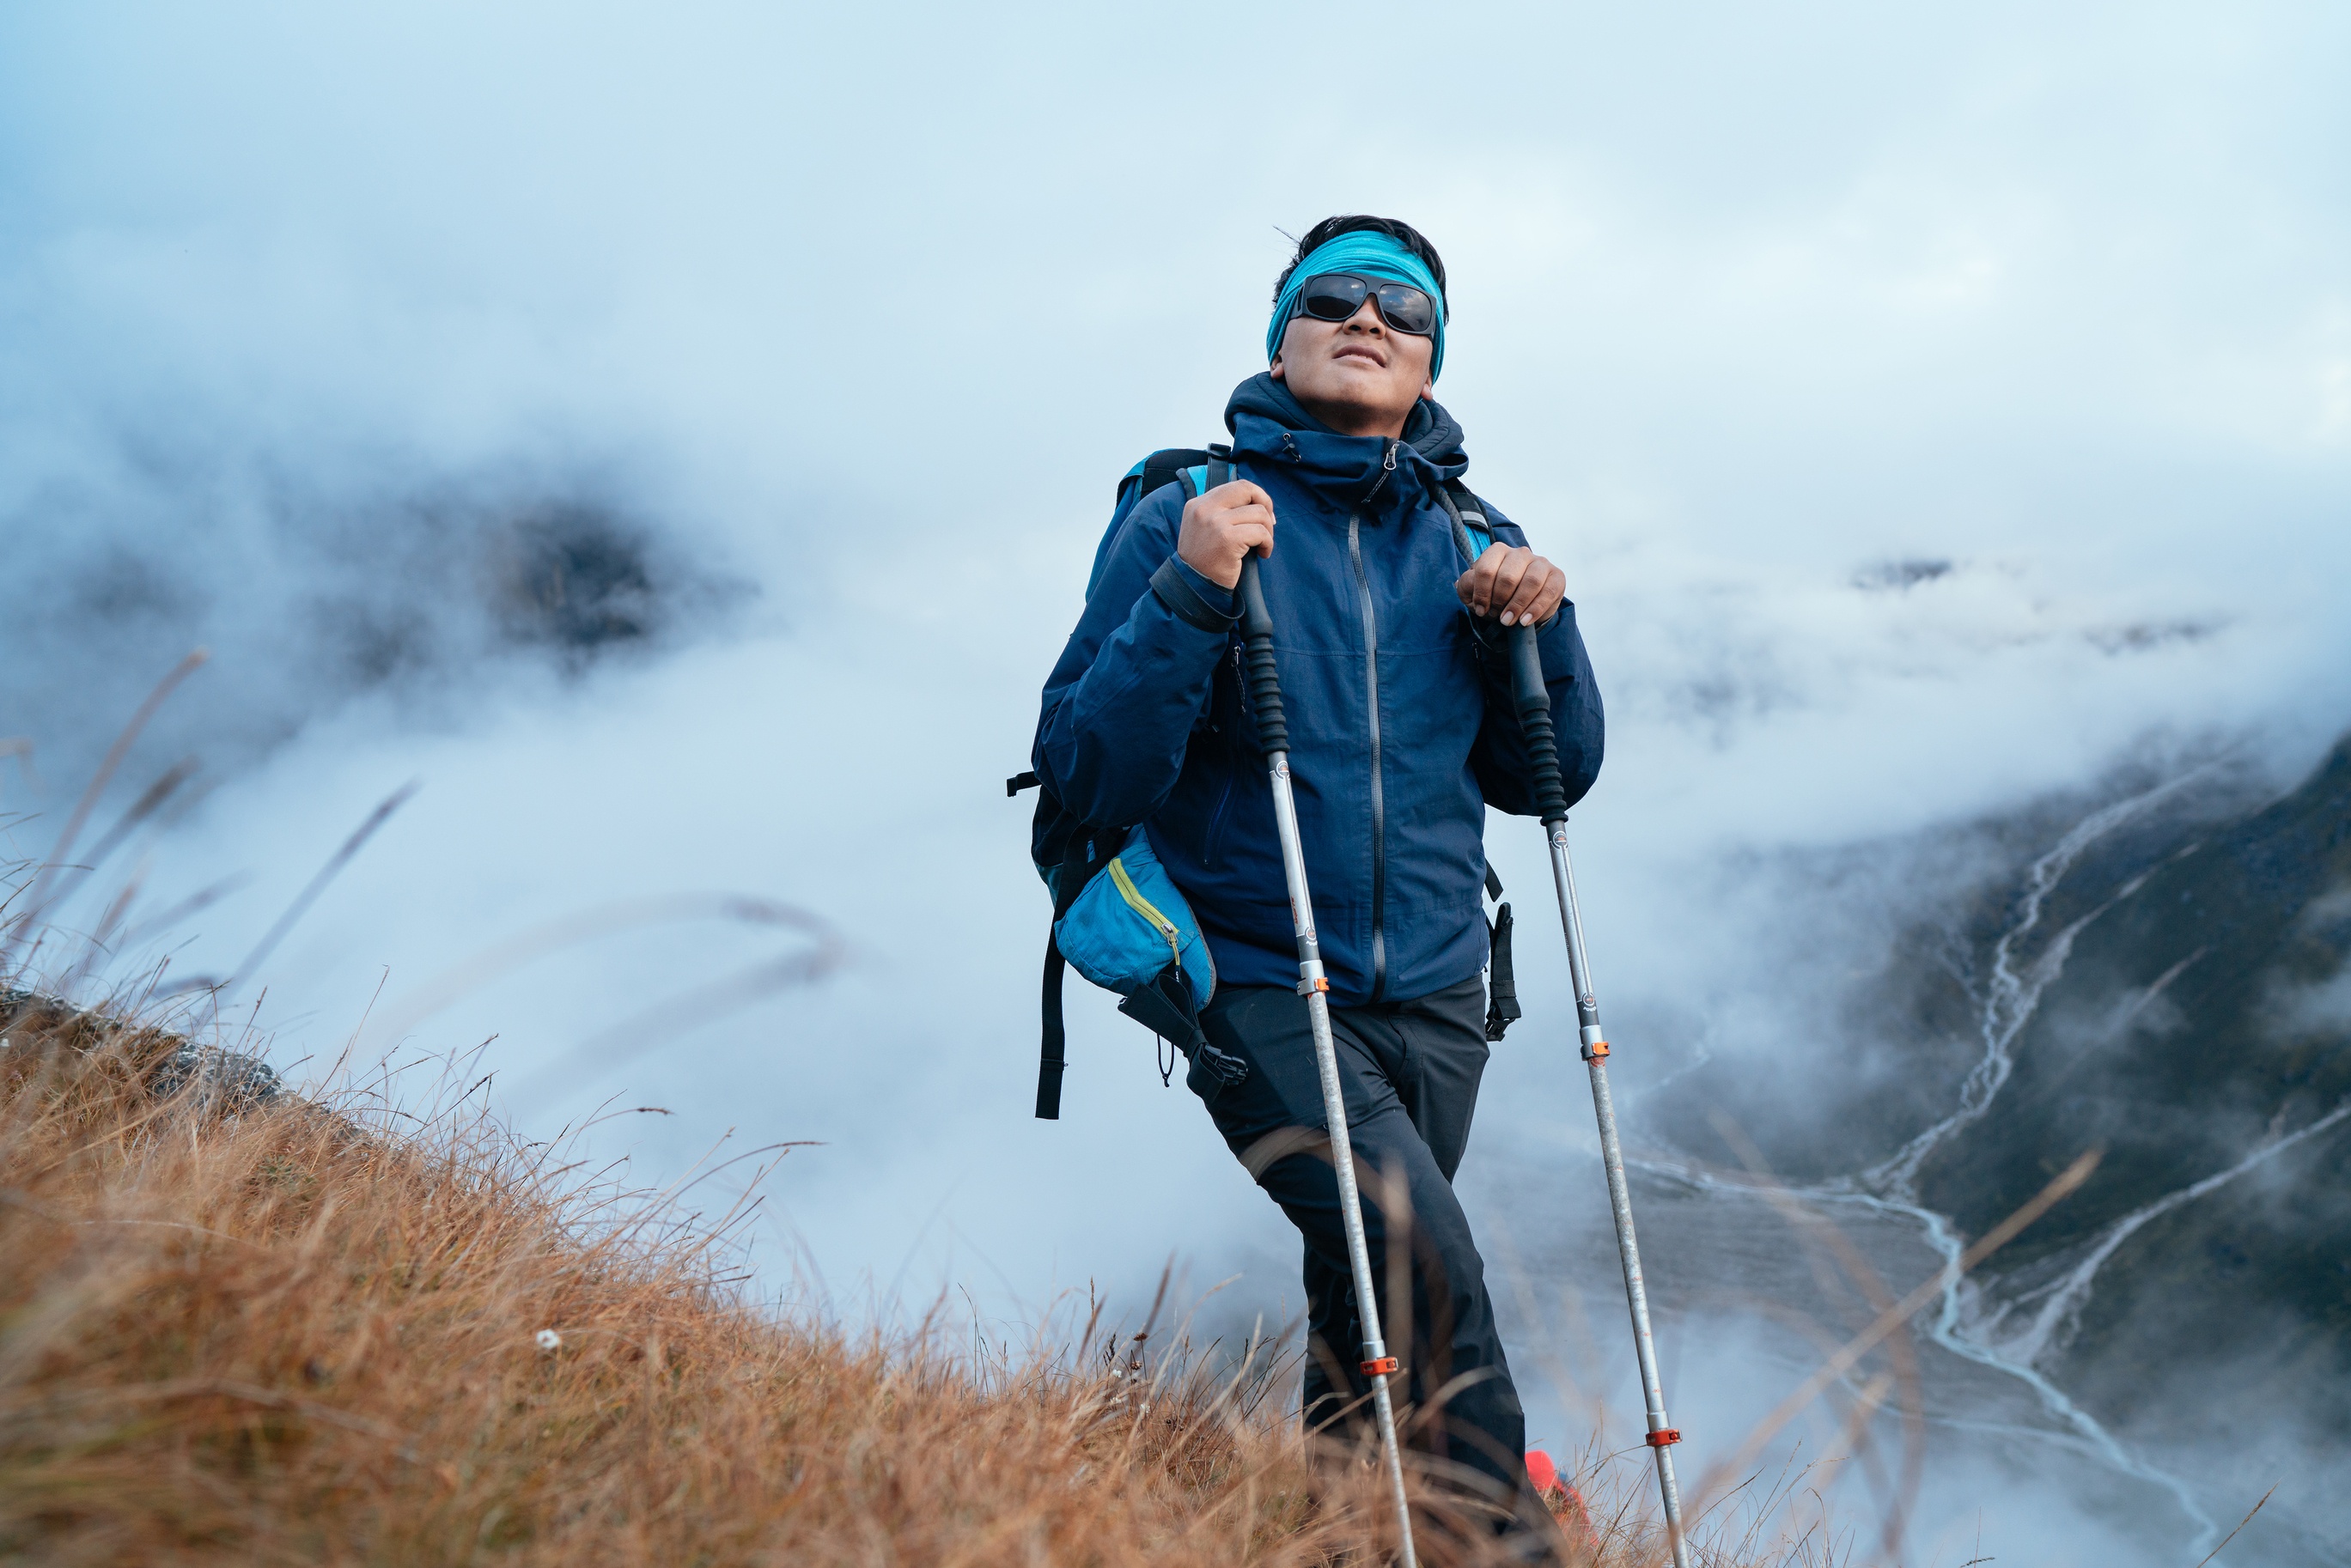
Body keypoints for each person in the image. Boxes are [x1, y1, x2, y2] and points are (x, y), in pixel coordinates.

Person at [1031, 215, 1604, 1545]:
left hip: (1439, 987)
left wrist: (1546, 621)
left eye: (1400, 311)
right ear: (1281, 336)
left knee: (1369, 1293)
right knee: (1424, 1253)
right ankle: (1494, 1545)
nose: (1367, 320)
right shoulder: (1184, 511)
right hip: (1251, 972)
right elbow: (1084, 772)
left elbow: (1548, 779)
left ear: (1429, 359)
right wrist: (1189, 587)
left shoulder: (1473, 534)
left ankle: (1341, 1536)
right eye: (1333, 298)